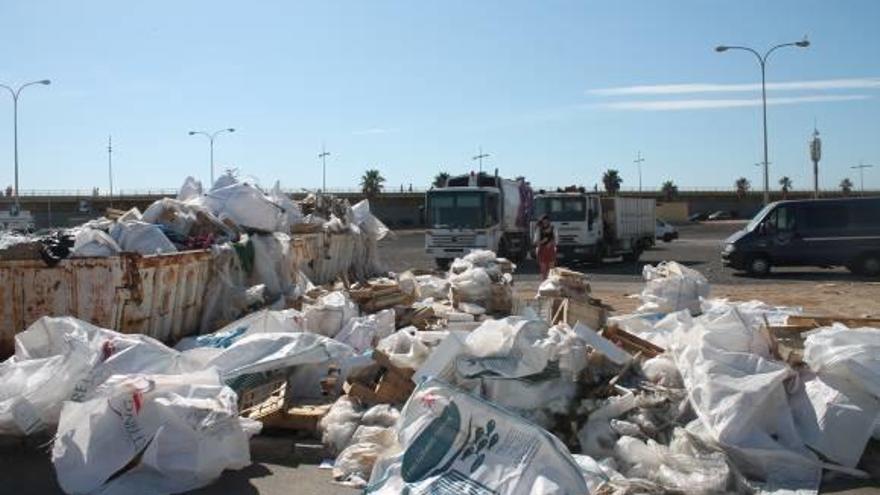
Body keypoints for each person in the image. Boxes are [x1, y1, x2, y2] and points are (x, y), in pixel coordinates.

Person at [534, 214, 557, 280]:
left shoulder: (553, 228)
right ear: (542, 221)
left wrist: (551, 242)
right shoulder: (539, 229)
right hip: (542, 250)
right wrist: (543, 241)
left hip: (551, 250)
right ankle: (544, 284)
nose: (546, 222)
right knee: (543, 270)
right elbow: (535, 242)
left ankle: (550, 285)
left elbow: (556, 240)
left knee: (551, 270)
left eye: (547, 221)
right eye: (544, 221)